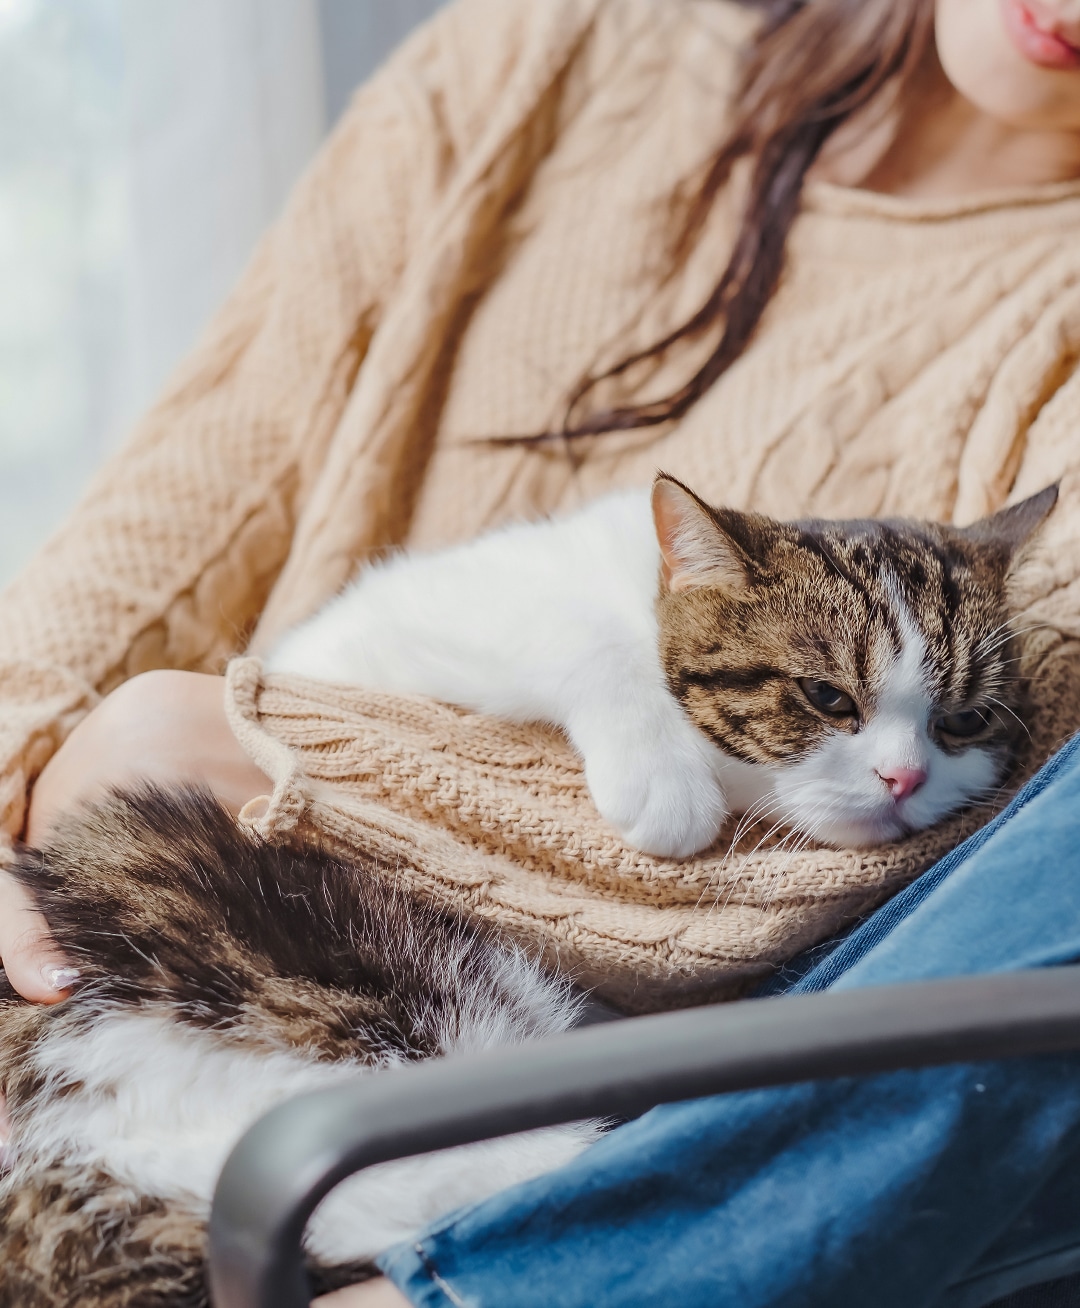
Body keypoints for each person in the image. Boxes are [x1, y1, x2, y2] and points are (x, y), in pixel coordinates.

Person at [3, 0, 1080, 1302]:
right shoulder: (551, 44)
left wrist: (278, 756)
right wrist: (20, 749)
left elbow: (926, 878)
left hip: (530, 1093)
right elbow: (200, 486)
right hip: (151, 953)